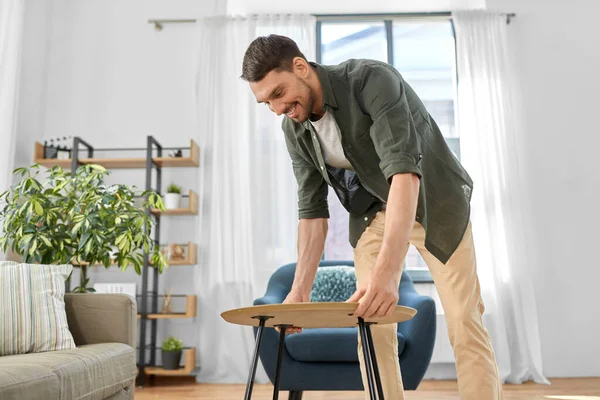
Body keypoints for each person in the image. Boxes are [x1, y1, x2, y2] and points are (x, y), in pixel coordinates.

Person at [240, 34, 503, 400]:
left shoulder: (370, 81)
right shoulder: (295, 128)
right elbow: (312, 212)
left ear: (300, 67)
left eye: (279, 93)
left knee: (463, 319)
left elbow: (405, 175)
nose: (277, 108)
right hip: (370, 216)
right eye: (266, 101)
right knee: (371, 324)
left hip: (435, 203)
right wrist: (298, 297)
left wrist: (387, 275)